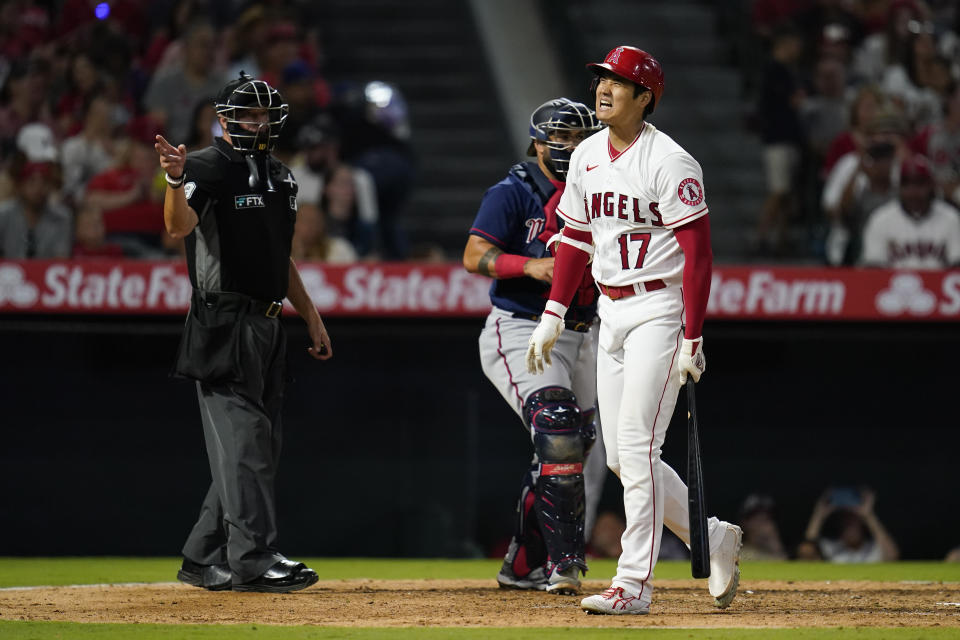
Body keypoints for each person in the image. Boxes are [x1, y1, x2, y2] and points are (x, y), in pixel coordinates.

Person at [525, 46, 742, 615]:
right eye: (600, 78)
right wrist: (552, 311)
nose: (603, 88)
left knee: (639, 447)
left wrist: (693, 334)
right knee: (624, 457)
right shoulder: (589, 152)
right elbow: (573, 237)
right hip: (611, 312)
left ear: (645, 97)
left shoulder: (671, 161)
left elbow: (699, 259)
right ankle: (711, 535)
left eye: (618, 82)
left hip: (660, 310)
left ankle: (633, 584)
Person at [154, 71, 331, 593]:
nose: (257, 122)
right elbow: (178, 227)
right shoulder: (206, 166)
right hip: (222, 320)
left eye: (264, 114)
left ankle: (201, 555)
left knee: (255, 449)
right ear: (226, 119)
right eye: (247, 114)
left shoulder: (282, 175)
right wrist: (171, 179)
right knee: (247, 443)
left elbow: (281, 258)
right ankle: (253, 557)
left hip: (269, 323)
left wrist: (312, 317)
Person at [463, 97, 604, 595]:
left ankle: (525, 563)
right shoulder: (514, 190)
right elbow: (474, 254)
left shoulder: (603, 188)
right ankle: (566, 562)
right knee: (558, 429)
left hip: (586, 331)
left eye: (579, 138)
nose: (569, 148)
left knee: (575, 448)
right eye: (559, 138)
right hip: (522, 326)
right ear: (539, 142)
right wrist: (529, 266)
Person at [860, 153, 960, 268]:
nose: (913, 191)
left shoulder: (951, 218)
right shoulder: (880, 219)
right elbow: (874, 269)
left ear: (931, 186)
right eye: (906, 184)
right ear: (899, 187)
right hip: (893, 285)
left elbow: (956, 268)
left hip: (939, 285)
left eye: (920, 184)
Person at [797, 487, 899, 563]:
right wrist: (819, 515)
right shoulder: (830, 547)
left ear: (861, 524)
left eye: (852, 521)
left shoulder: (872, 548)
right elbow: (806, 553)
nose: (849, 525)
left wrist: (869, 516)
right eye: (845, 521)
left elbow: (892, 555)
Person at [737, 494, 788, 561]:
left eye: (767, 518)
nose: (764, 525)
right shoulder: (738, 554)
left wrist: (776, 547)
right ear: (744, 523)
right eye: (758, 519)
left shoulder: (774, 549)